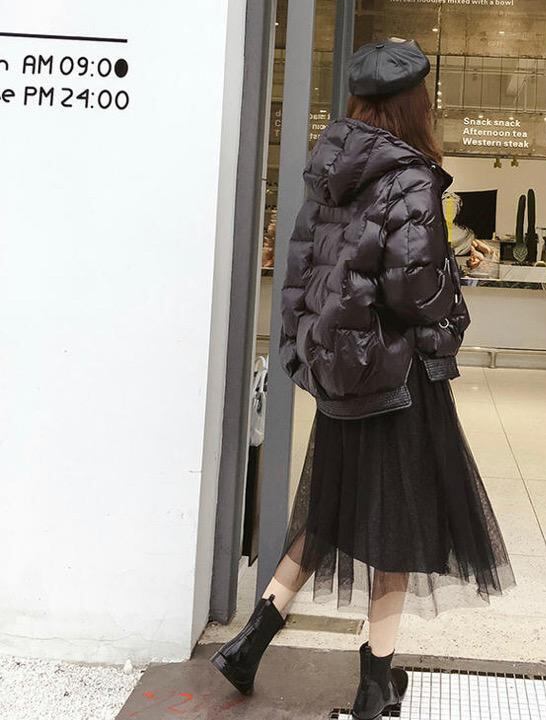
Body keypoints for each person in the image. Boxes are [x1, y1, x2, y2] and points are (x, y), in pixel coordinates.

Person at [210, 39, 515, 719]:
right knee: (398, 526)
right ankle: (376, 681)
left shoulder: (330, 172)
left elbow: (304, 273)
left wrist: (312, 350)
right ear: (414, 104)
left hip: (343, 372)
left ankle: (249, 645)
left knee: (330, 510)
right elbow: (413, 286)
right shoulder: (409, 175)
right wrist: (452, 307)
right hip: (397, 377)